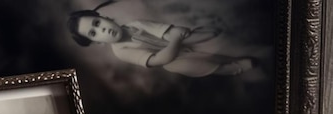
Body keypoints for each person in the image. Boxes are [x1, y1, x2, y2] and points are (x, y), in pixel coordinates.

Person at [66, 5, 256, 77]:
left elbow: (165, 31)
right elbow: (158, 60)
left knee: (196, 35)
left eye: (98, 23)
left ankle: (219, 32)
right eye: (94, 33)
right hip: (172, 56)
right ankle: (233, 67)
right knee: (175, 66)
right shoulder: (121, 51)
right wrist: (174, 41)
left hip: (180, 41)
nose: (102, 29)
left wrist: (176, 35)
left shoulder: (135, 24)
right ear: (97, 42)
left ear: (104, 17)